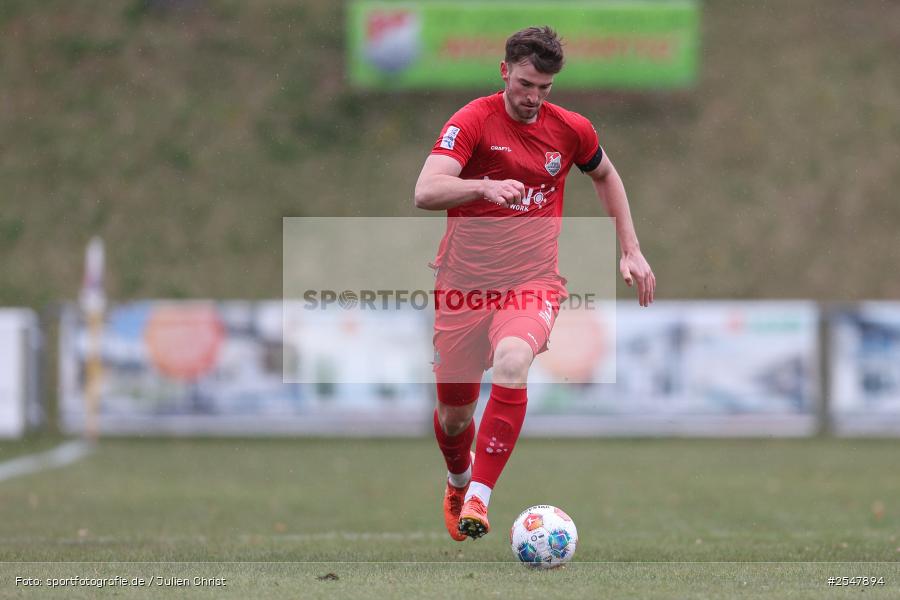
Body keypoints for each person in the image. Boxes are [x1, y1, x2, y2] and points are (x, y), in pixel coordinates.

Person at [413, 26, 655, 541]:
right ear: (505, 72)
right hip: (463, 288)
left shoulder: (571, 129)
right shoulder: (472, 121)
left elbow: (606, 175)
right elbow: (426, 191)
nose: (533, 97)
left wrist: (630, 249)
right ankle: (458, 481)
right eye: (525, 84)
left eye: (544, 88)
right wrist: (481, 186)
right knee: (453, 418)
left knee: (513, 359)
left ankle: (479, 497)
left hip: (533, 280)